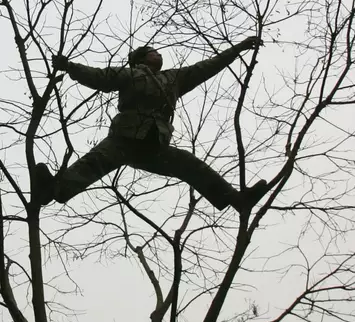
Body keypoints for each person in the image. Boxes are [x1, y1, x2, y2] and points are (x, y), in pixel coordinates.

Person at [32, 36, 271, 212]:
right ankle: (53, 190)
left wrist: (238, 49)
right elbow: (101, 77)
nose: (158, 54)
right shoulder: (131, 74)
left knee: (189, 164)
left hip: (154, 144)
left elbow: (207, 67)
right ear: (141, 58)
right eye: (153, 51)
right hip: (124, 138)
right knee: (93, 163)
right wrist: (70, 67)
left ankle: (237, 201)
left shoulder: (173, 78)